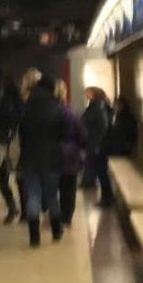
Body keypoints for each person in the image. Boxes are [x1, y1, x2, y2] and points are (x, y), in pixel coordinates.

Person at [17, 74, 67, 247]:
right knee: (52, 195)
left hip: (30, 158)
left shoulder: (26, 106)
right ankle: (56, 231)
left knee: (34, 196)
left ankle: (34, 237)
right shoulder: (57, 107)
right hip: (52, 158)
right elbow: (64, 133)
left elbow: (21, 133)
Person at [0, 76, 23, 224]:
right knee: (20, 179)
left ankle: (12, 206)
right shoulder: (20, 103)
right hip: (18, 144)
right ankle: (24, 211)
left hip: (5, 144)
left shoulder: (2, 104)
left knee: (1, 177)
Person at [55, 80, 89, 226]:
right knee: (69, 187)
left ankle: (55, 213)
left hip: (52, 152)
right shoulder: (70, 112)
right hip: (70, 154)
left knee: (53, 185)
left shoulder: (49, 111)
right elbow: (82, 133)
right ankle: (67, 216)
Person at [98, 95, 139, 207]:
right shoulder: (117, 116)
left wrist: (127, 146)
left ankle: (109, 198)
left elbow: (128, 135)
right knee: (105, 173)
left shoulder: (126, 118)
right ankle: (108, 197)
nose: (114, 106)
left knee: (112, 175)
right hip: (113, 149)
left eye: (116, 104)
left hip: (119, 151)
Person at [80, 87, 111, 189]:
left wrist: (98, 142)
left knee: (94, 163)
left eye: (88, 93)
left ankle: (89, 181)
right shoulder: (93, 107)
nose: (85, 95)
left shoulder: (98, 108)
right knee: (89, 161)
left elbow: (103, 126)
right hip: (90, 139)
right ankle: (88, 181)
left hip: (95, 139)